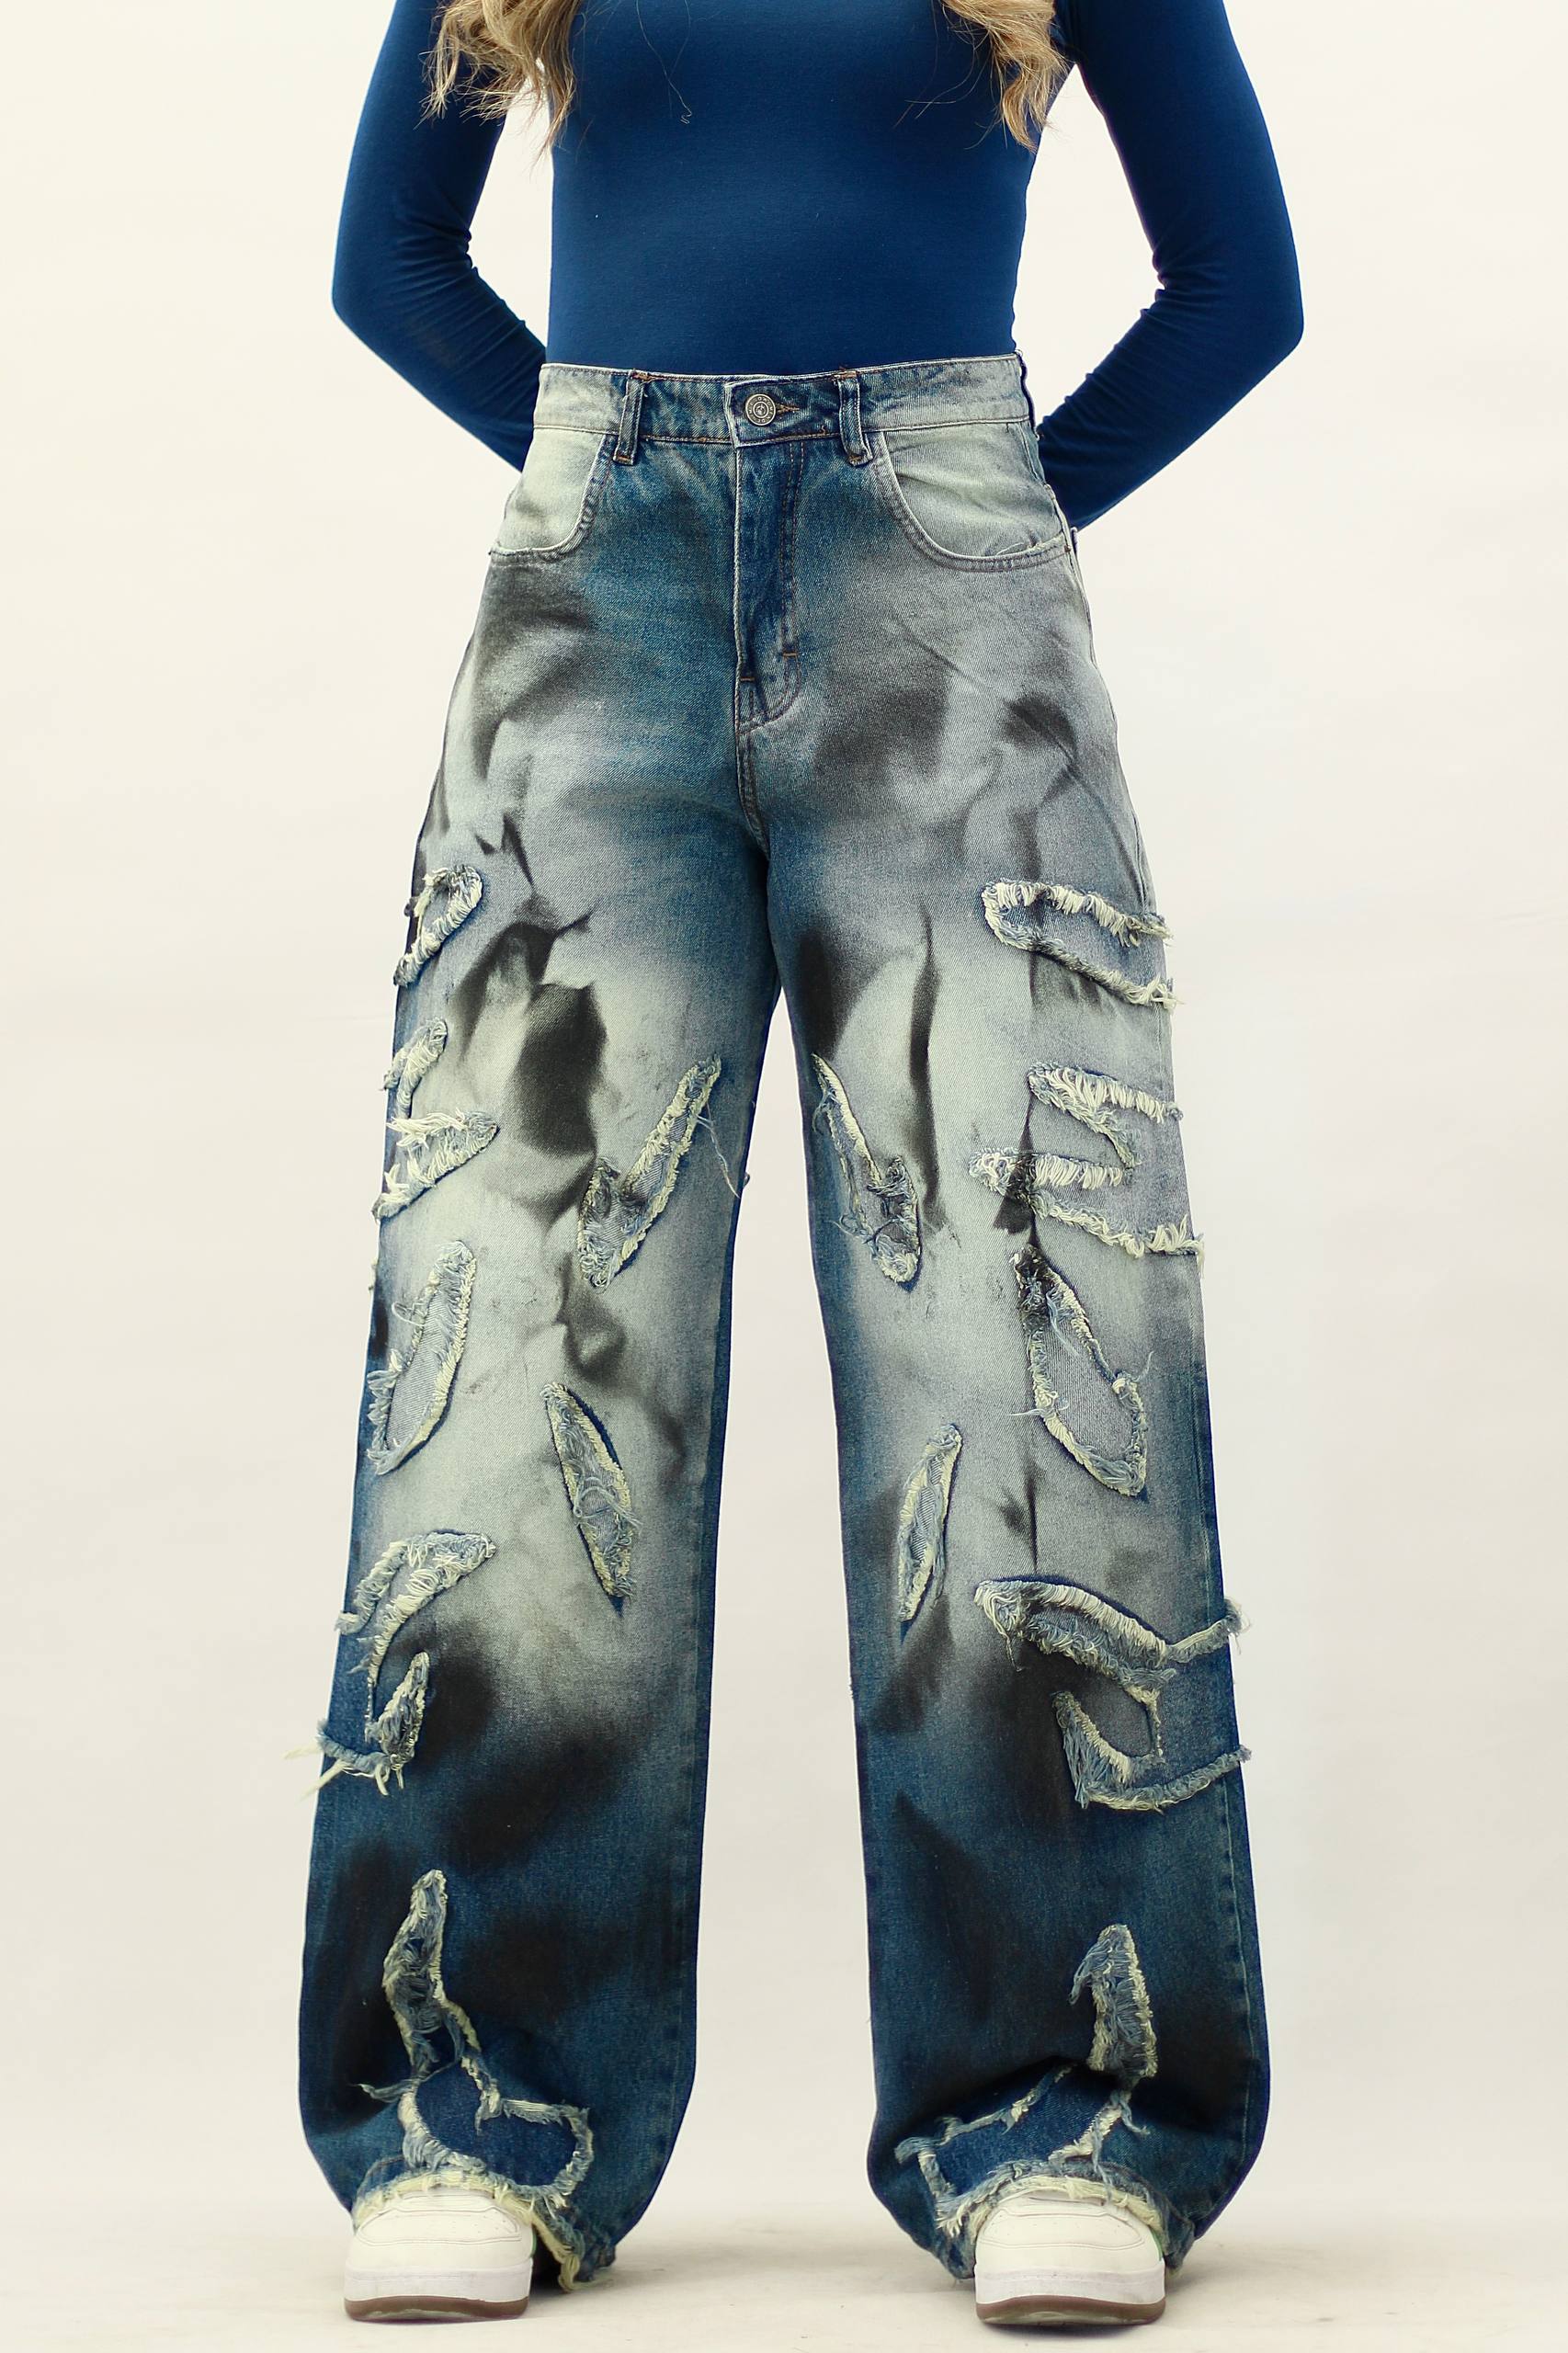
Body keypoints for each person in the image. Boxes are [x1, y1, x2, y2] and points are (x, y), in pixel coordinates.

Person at [297, 0, 1302, 2328]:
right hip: (592, 619)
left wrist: (971, 514)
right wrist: (619, 489)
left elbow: (1240, 287)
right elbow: (389, 262)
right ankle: (472, 2106)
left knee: (1017, 1330)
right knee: (515, 1340)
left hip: (949, 610)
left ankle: (1066, 2106)